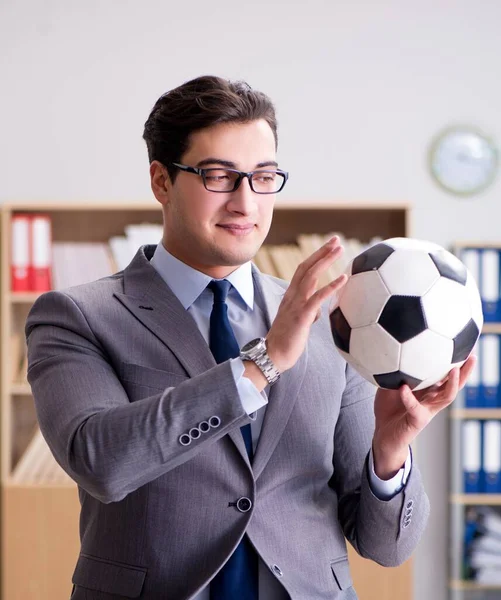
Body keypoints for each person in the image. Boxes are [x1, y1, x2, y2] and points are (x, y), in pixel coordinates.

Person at [26, 75, 475, 600]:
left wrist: (391, 452)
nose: (245, 202)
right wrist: (262, 363)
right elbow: (101, 462)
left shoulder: (339, 320)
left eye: (264, 178)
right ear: (161, 181)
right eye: (219, 176)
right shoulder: (78, 315)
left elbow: (387, 548)